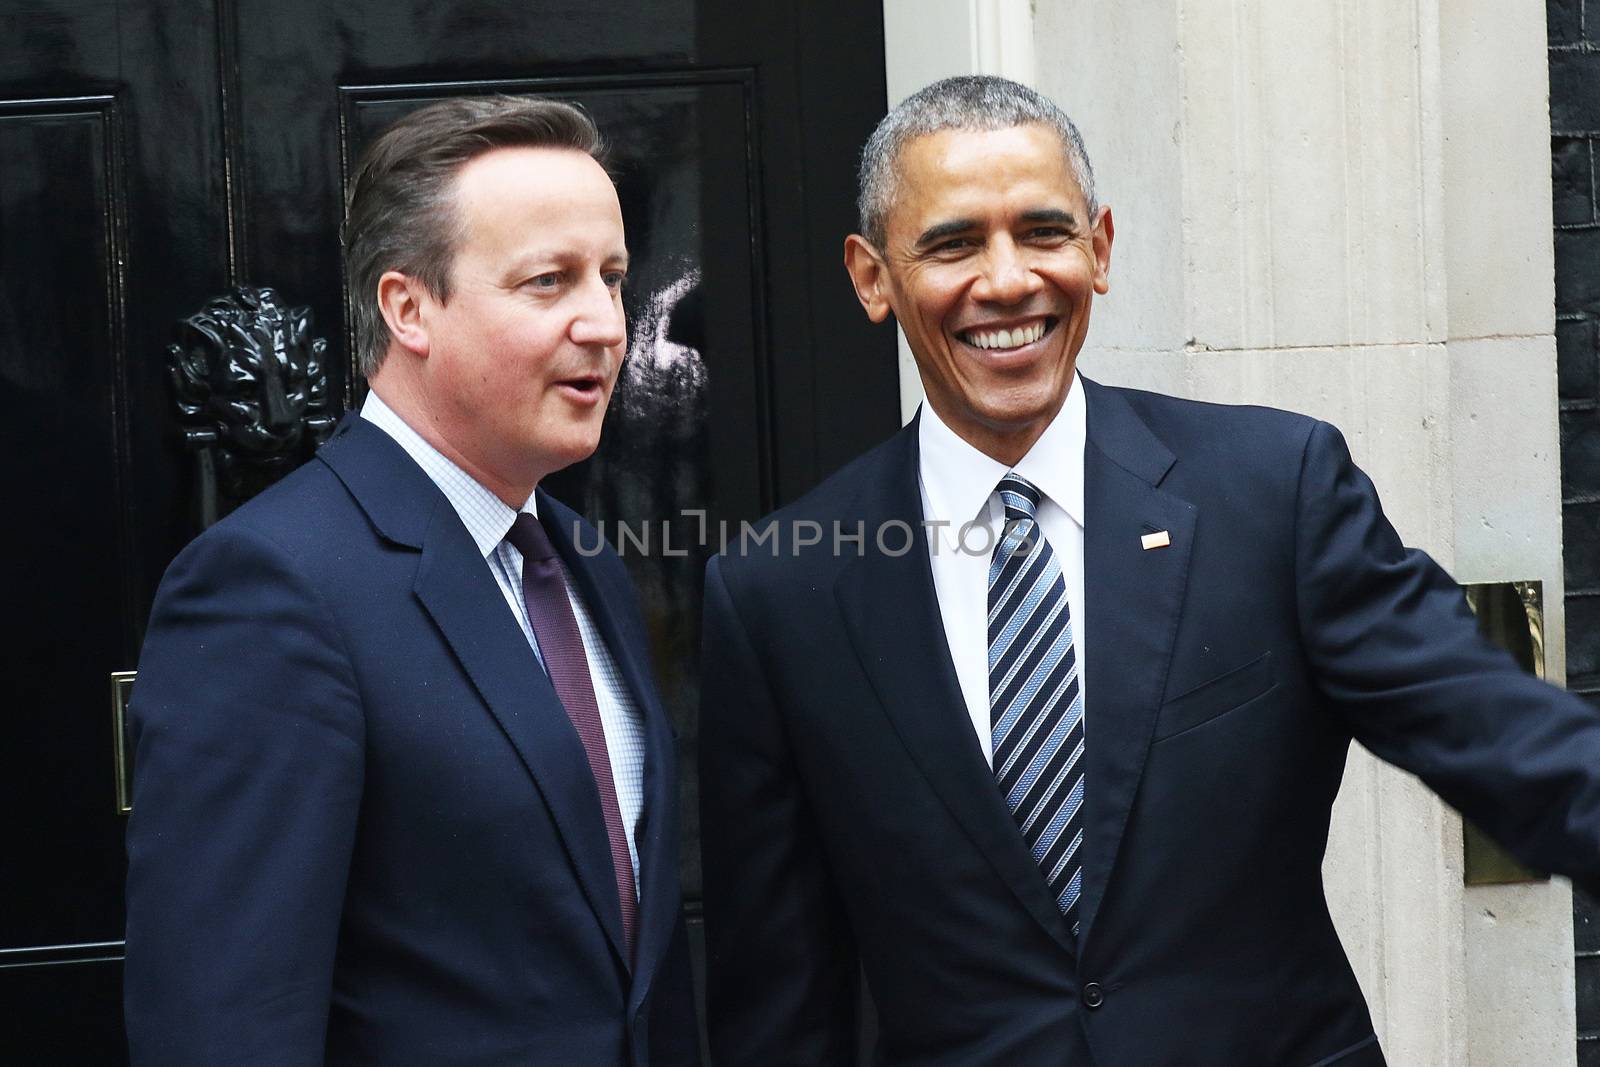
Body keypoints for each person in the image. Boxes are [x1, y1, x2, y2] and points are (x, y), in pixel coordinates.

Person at [697, 74, 1600, 1066]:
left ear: (1101, 246)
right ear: (871, 277)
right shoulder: (779, 589)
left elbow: (1502, 731)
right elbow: (779, 997)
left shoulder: (1271, 492)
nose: (1007, 281)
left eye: (1044, 231)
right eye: (953, 243)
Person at [124, 96, 697, 1066]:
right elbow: (225, 1016)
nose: (605, 322)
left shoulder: (582, 562)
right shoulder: (271, 588)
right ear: (408, 307)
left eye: (611, 277)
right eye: (549, 281)